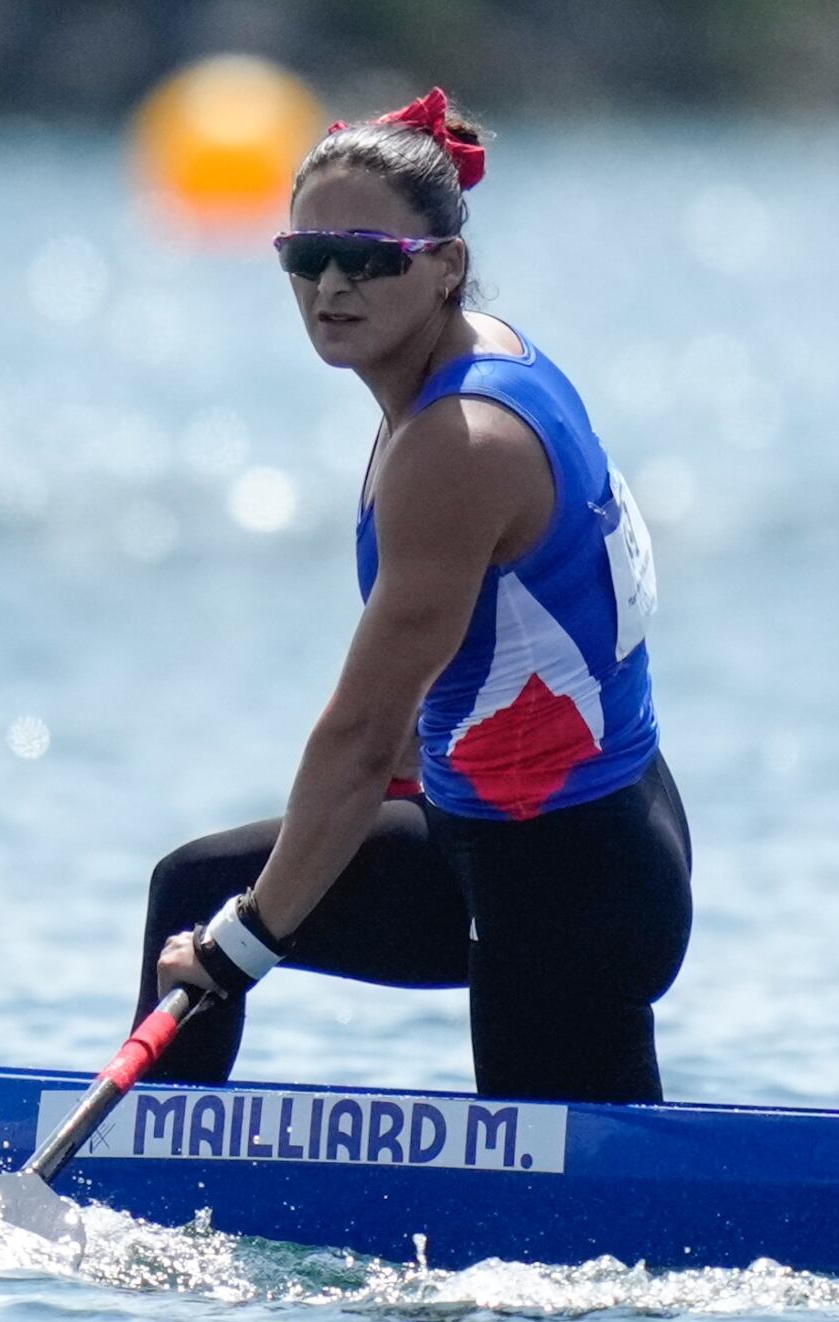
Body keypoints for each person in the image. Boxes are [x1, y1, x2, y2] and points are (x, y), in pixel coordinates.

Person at [137, 89, 692, 1103]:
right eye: (306, 260)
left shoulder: (458, 445)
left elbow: (359, 738)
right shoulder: (460, 361)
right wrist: (252, 912)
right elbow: (456, 669)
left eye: (369, 258)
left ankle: (145, 1190)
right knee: (197, 886)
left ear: (443, 269)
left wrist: (249, 945)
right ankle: (159, 1171)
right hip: (500, 838)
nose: (333, 286)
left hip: (567, 880)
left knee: (576, 1261)